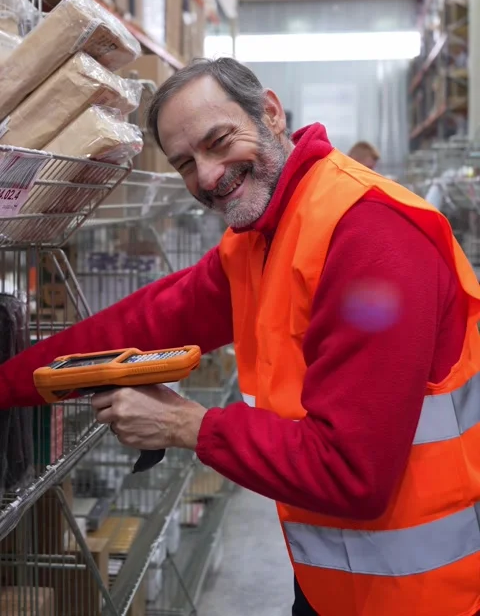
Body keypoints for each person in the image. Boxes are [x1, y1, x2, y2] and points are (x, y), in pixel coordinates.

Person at [1, 57, 480, 616]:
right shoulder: (264, 235)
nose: (207, 177)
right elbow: (145, 320)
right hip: (336, 576)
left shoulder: (370, 238)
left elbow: (353, 474)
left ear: (271, 113)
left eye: (219, 140)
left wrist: (185, 424)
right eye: (185, 163)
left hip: (425, 595)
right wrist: (8, 382)